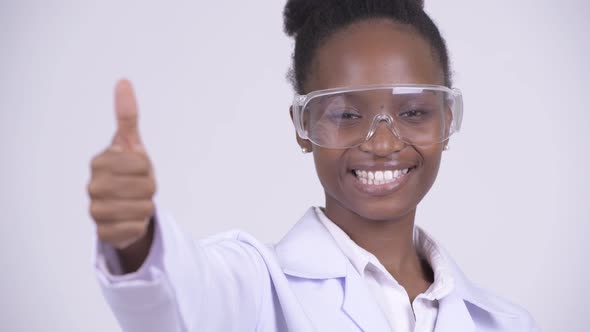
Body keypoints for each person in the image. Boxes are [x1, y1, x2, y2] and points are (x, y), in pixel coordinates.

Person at [88, 0, 539, 331]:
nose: (382, 142)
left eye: (414, 112)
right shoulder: (256, 288)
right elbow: (179, 299)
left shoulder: (509, 323)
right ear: (302, 128)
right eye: (345, 114)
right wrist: (137, 239)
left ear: (447, 119)